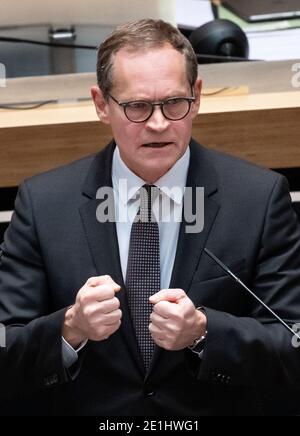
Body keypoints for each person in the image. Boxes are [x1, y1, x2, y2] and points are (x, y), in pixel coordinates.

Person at [1, 18, 300, 417]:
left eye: (174, 103)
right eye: (137, 106)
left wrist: (205, 332)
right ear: (101, 104)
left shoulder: (259, 199)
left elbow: (292, 346)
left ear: (197, 95)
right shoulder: (43, 204)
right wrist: (70, 328)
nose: (158, 124)